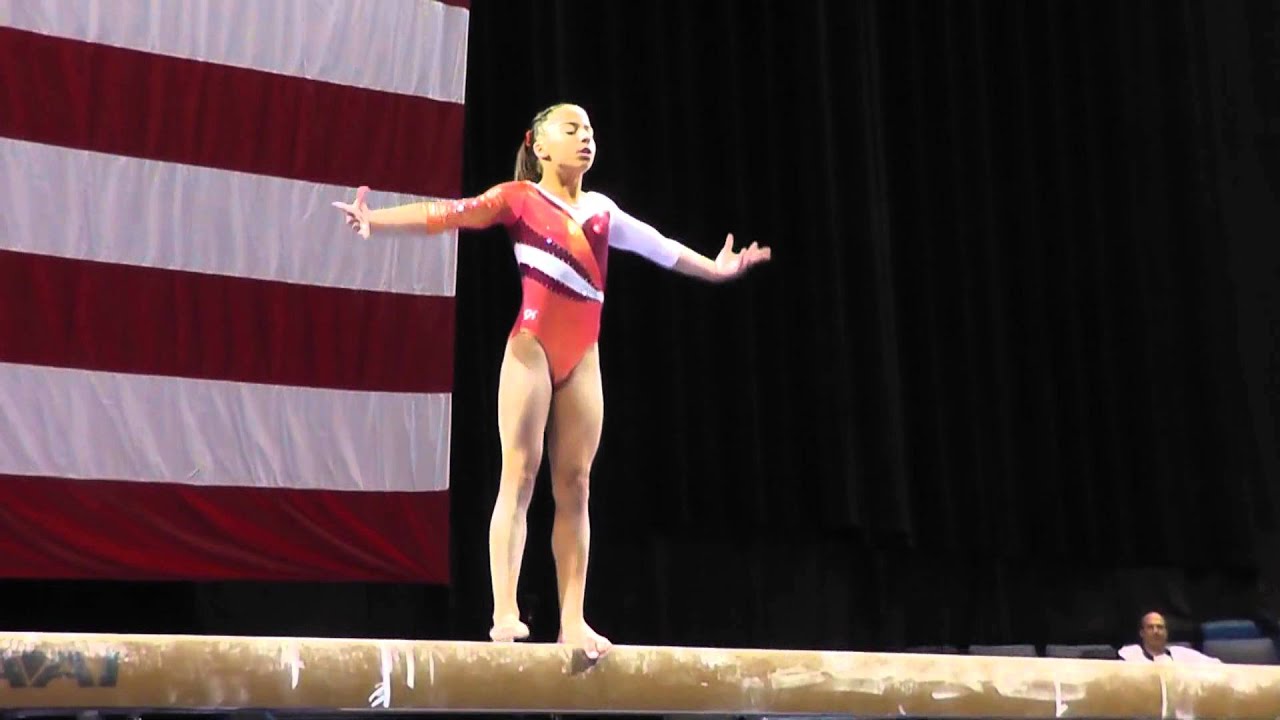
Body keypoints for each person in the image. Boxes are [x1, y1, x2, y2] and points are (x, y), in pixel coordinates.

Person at [332, 103, 771, 659]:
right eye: (572, 130)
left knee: (577, 487)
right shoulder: (519, 200)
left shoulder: (603, 211)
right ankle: (506, 613)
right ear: (540, 147)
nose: (586, 138)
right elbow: (450, 213)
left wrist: (717, 268)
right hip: (531, 349)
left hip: (582, 354)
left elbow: (662, 248)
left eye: (590, 129)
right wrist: (377, 219)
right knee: (519, 476)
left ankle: (573, 619)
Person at [1117, 611, 1221, 663]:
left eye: (1160, 627)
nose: (1156, 631)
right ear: (1142, 633)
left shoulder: (1182, 654)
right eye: (1150, 627)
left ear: (1166, 632)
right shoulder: (1129, 654)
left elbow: (1216, 665)